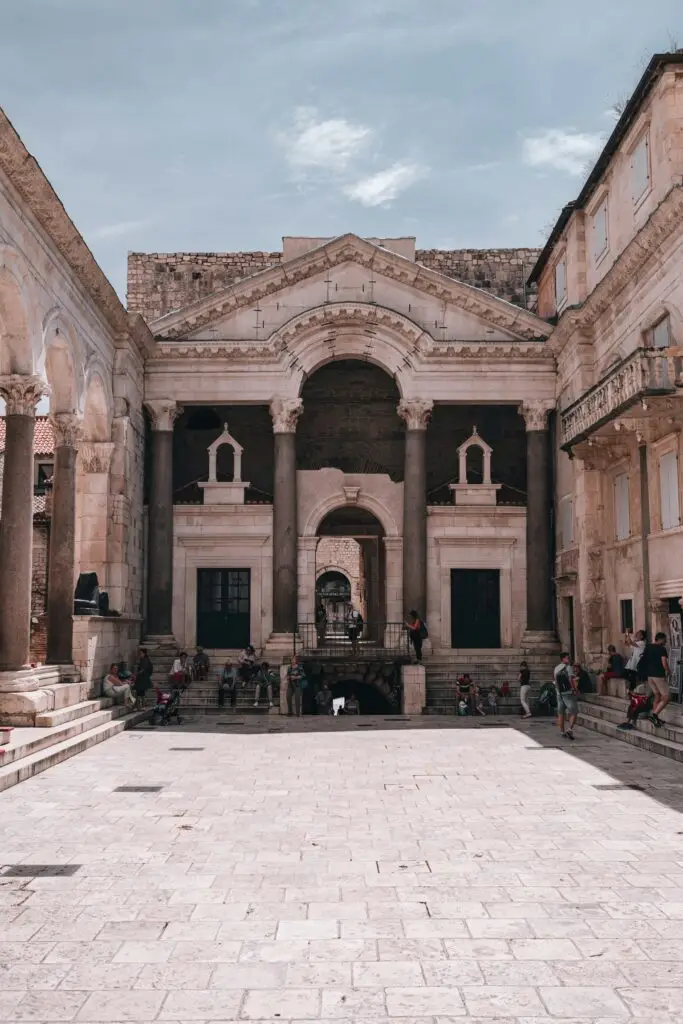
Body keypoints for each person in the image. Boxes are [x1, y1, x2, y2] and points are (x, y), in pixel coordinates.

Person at [641, 632, 670, 728]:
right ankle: (654, 715)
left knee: (657, 695)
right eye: (665, 639)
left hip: (650, 676)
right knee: (666, 697)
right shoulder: (662, 649)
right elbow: (664, 663)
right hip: (658, 675)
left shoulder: (648, 647)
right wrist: (668, 671)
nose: (665, 641)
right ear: (661, 639)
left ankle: (655, 719)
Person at [554, 652, 578, 740]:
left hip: (559, 693)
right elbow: (571, 680)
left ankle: (562, 731)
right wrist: (574, 690)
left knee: (561, 713)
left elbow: (556, 681)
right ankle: (569, 729)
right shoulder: (568, 667)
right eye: (567, 658)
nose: (569, 659)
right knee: (574, 712)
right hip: (567, 693)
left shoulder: (556, 668)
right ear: (563, 659)